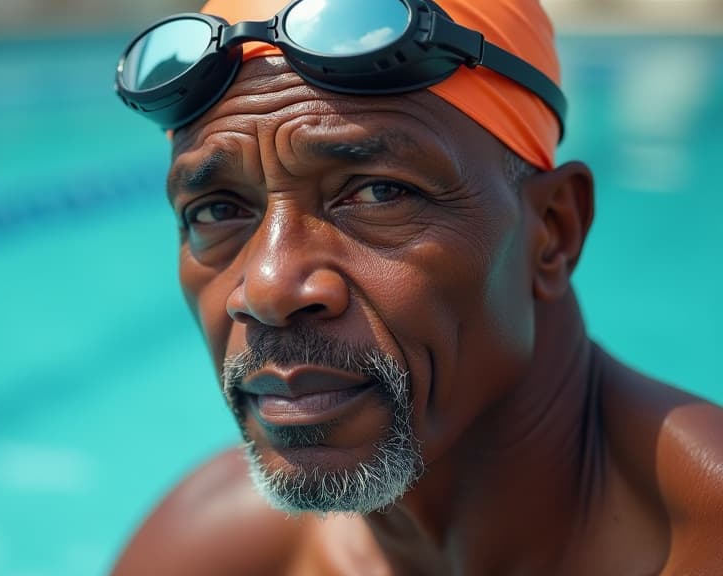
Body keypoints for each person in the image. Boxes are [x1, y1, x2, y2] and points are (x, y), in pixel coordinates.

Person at [111, 0, 723, 573]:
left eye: (379, 192)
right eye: (217, 211)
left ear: (553, 231)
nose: (267, 289)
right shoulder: (215, 551)